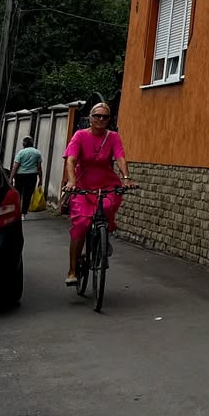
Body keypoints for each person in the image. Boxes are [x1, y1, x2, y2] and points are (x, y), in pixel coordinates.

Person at [62, 99, 134, 286]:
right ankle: (72, 270)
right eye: (97, 116)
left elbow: (120, 157)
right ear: (90, 118)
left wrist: (126, 178)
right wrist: (72, 181)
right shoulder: (80, 135)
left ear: (109, 119)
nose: (101, 119)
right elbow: (71, 160)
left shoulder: (113, 137)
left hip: (106, 183)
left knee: (107, 207)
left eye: (105, 117)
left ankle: (102, 238)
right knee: (81, 223)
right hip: (83, 185)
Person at [12, 136, 43, 214]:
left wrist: (11, 178)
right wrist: (40, 179)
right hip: (32, 176)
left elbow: (15, 166)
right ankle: (23, 213)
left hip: (20, 176)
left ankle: (17, 211)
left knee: (18, 193)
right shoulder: (37, 153)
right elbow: (39, 168)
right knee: (28, 195)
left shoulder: (21, 152)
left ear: (24, 144)